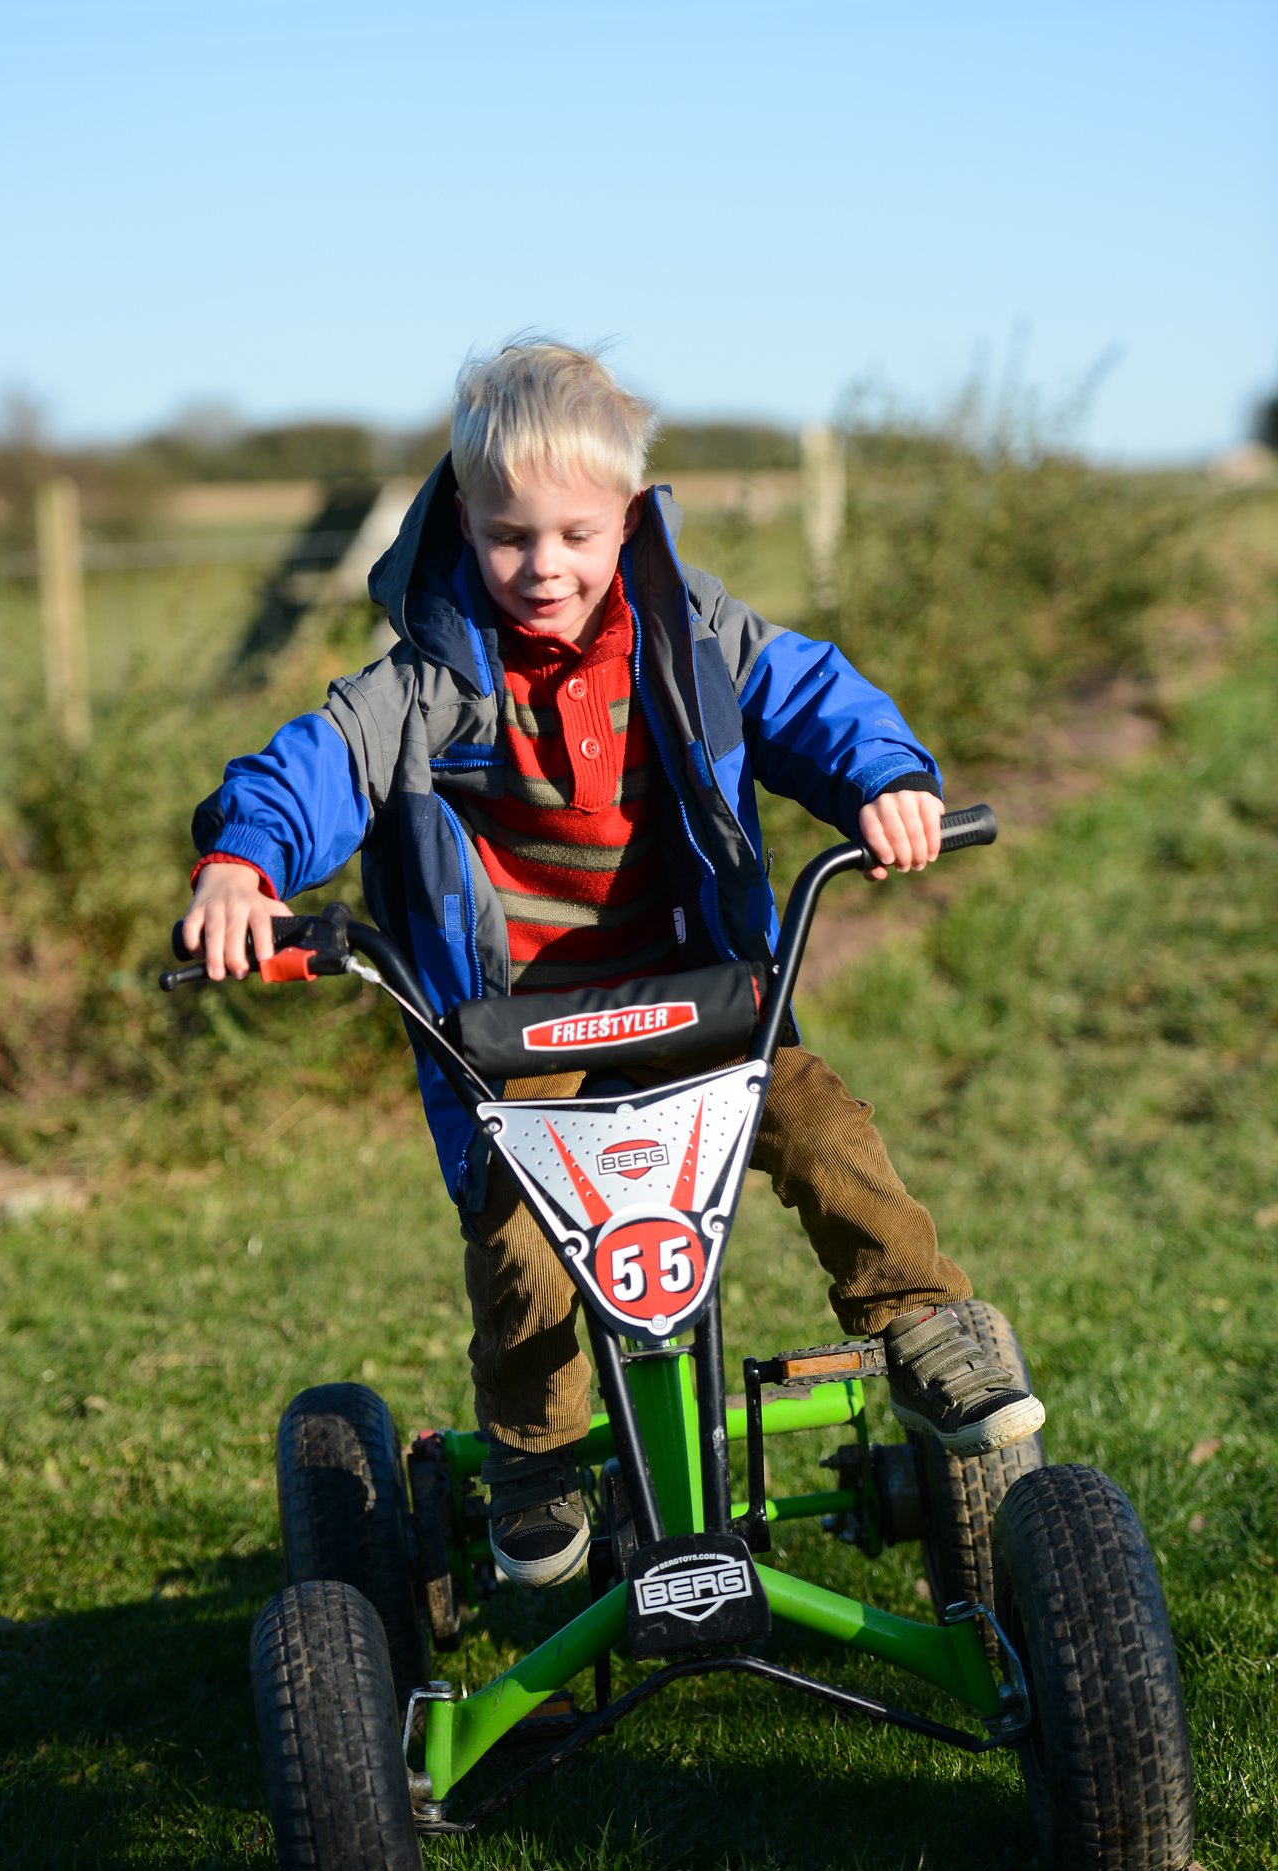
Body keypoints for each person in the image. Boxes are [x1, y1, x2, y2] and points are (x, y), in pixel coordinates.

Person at [182, 341, 1045, 1590]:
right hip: (513, 1035)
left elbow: (812, 696)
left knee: (818, 1123)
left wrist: (887, 783)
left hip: (696, 999)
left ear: (628, 519)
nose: (544, 568)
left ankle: (925, 1326)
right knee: (517, 1235)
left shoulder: (690, 637)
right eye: (509, 538)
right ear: (461, 524)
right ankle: (537, 1454)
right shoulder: (419, 685)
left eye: (576, 537)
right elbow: (316, 765)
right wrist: (242, 865)